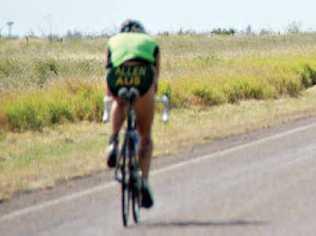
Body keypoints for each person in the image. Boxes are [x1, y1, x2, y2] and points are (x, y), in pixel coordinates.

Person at [104, 19, 160, 209]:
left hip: (117, 76)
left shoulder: (113, 41)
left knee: (118, 101)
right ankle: (143, 181)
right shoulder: (150, 42)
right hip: (143, 75)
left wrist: (113, 95)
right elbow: (155, 81)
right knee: (146, 137)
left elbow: (108, 72)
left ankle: (113, 142)